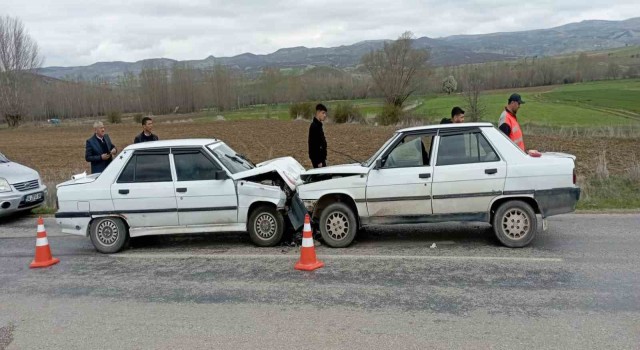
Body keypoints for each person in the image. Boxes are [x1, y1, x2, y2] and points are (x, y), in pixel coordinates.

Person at [308, 103, 328, 168]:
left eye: (325, 113)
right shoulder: (314, 126)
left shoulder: (319, 125)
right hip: (318, 160)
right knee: (322, 177)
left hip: (321, 158)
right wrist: (318, 161)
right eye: (323, 113)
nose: (325, 115)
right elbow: (313, 145)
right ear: (318, 112)